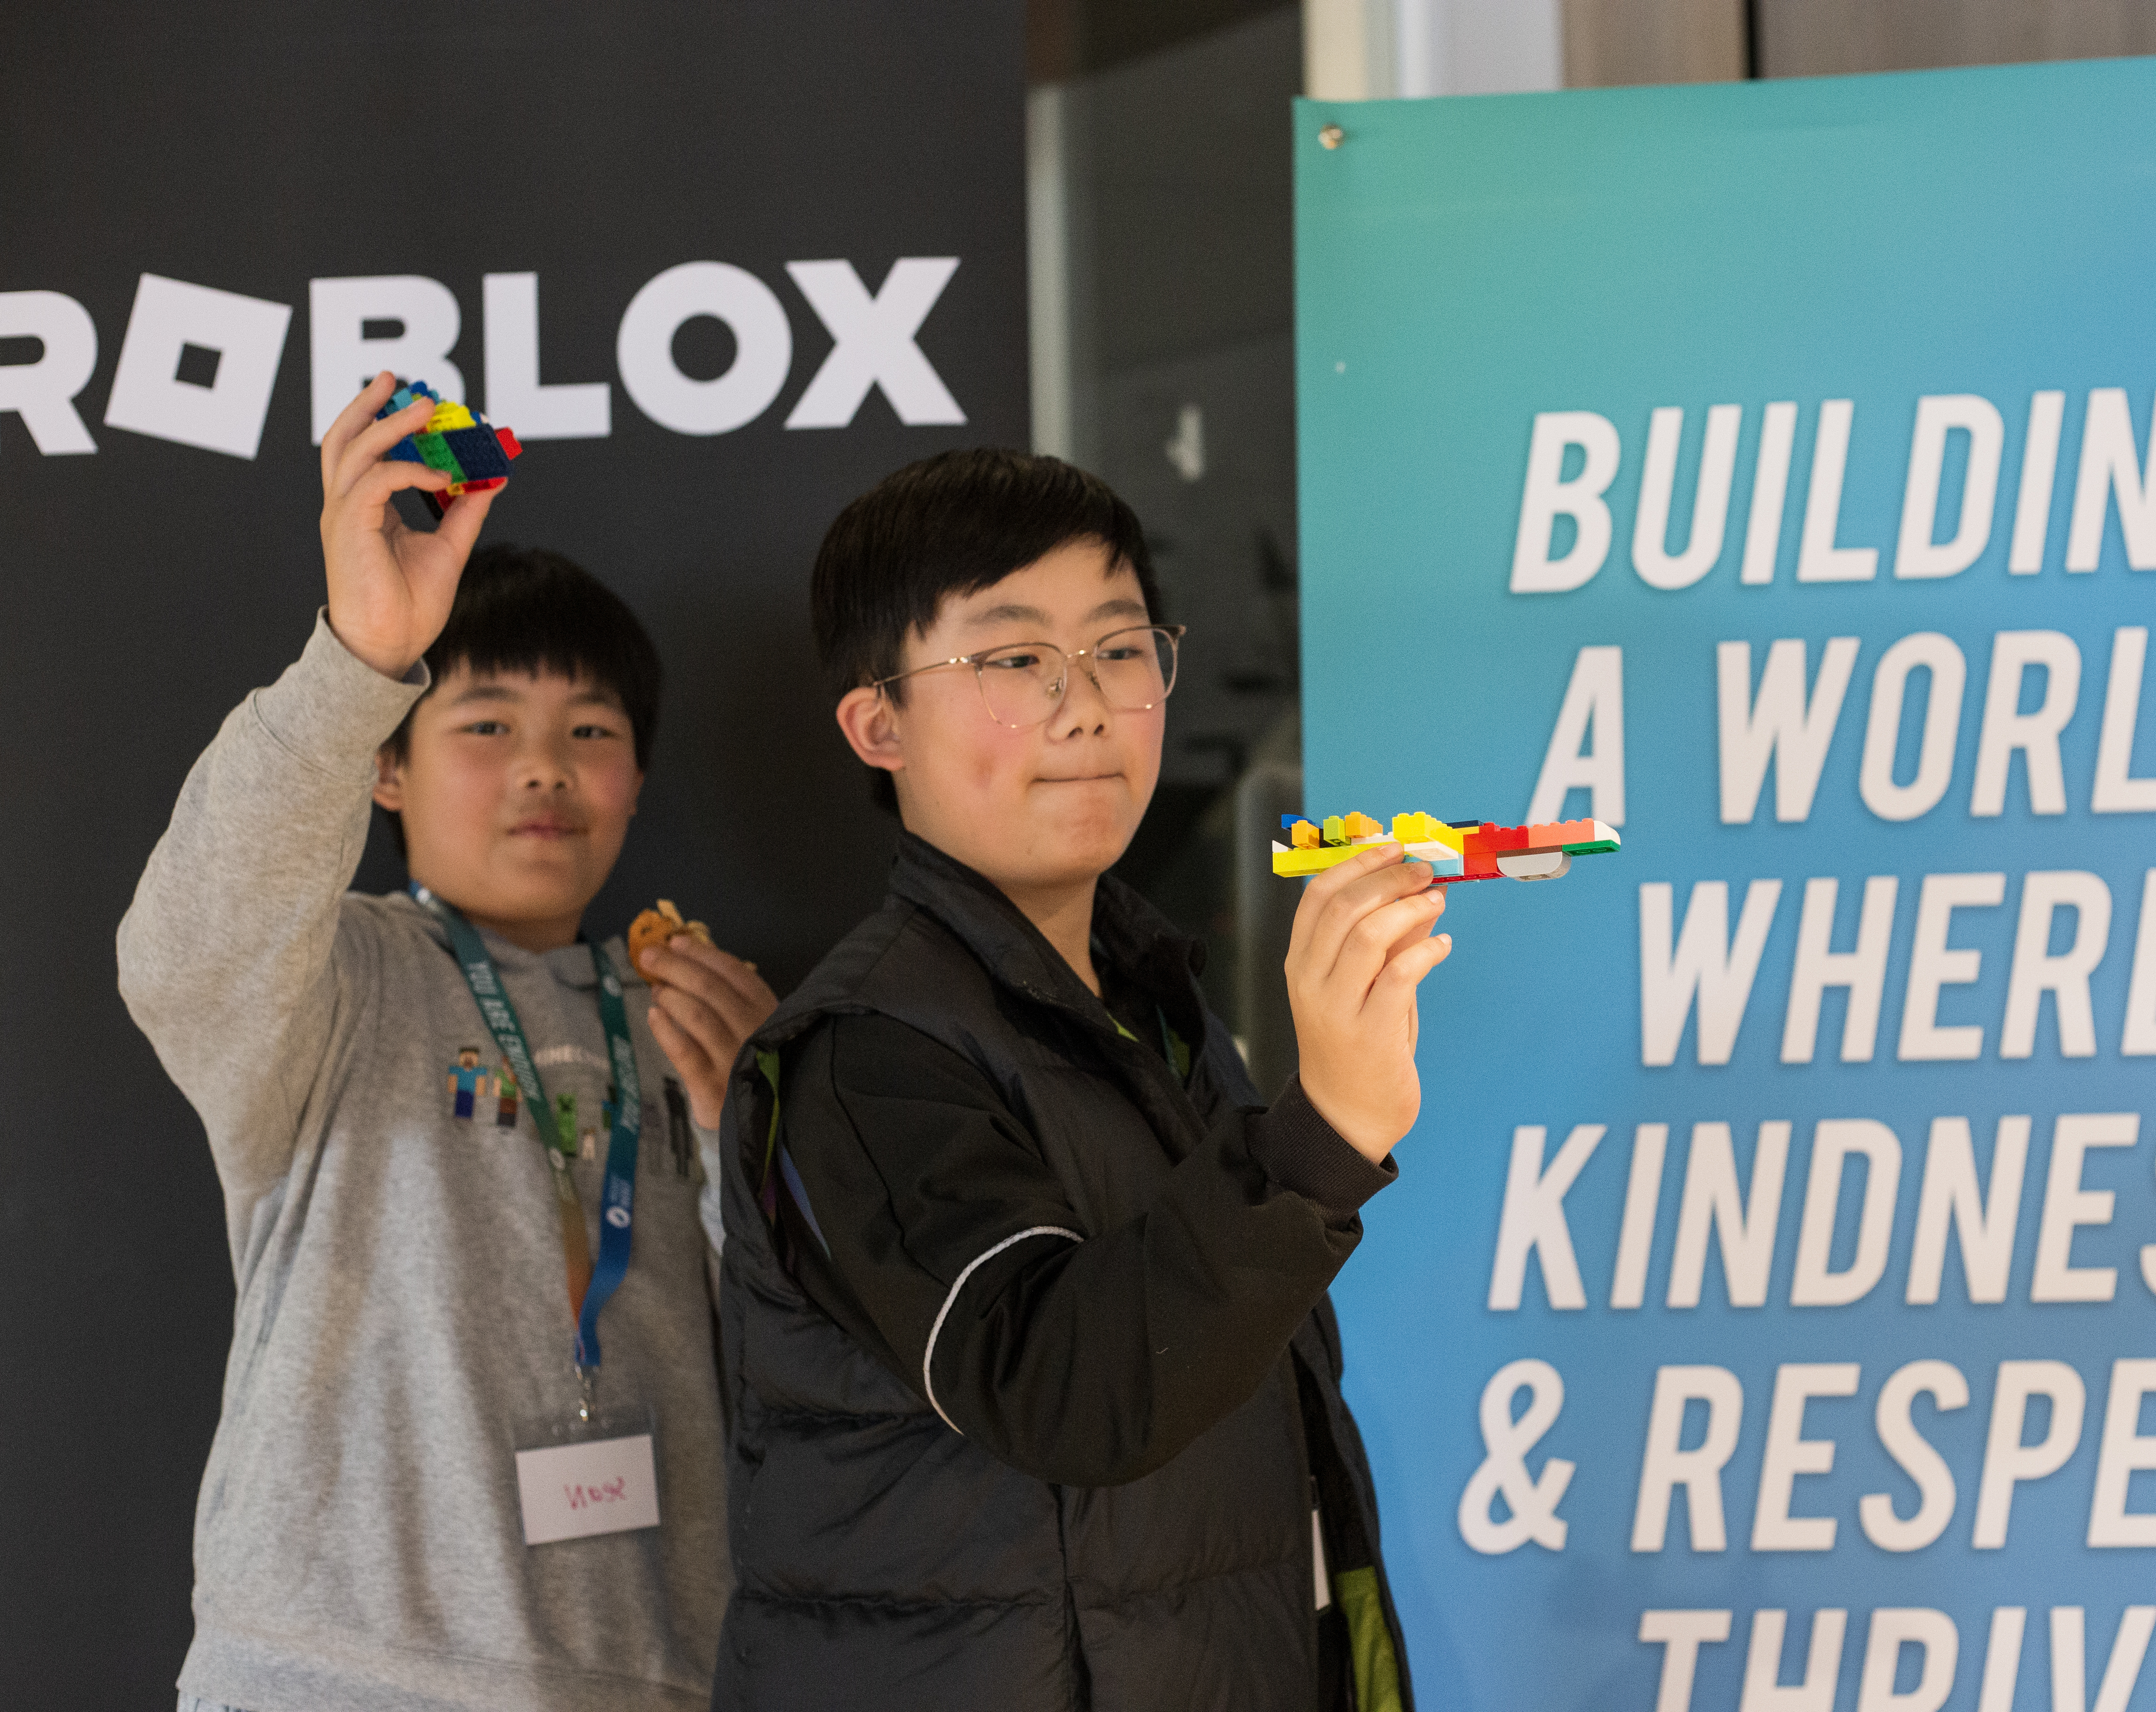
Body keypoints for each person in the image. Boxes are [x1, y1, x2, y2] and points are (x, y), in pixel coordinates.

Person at [712, 448, 1449, 1711]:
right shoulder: (858, 1056)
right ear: (878, 723)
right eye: (1012, 660)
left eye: (1118, 649)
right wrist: (1321, 1134)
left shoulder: (1154, 1002)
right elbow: (1072, 1392)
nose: (1086, 706)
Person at [118, 372, 777, 1712]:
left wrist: (754, 1127)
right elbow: (187, 950)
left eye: (589, 732)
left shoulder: (704, 1011)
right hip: (329, 1676)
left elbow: (803, 1362)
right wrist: (357, 664)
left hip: (654, 1674)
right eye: (486, 726)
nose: (545, 768)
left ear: (637, 782)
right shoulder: (340, 979)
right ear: (387, 768)